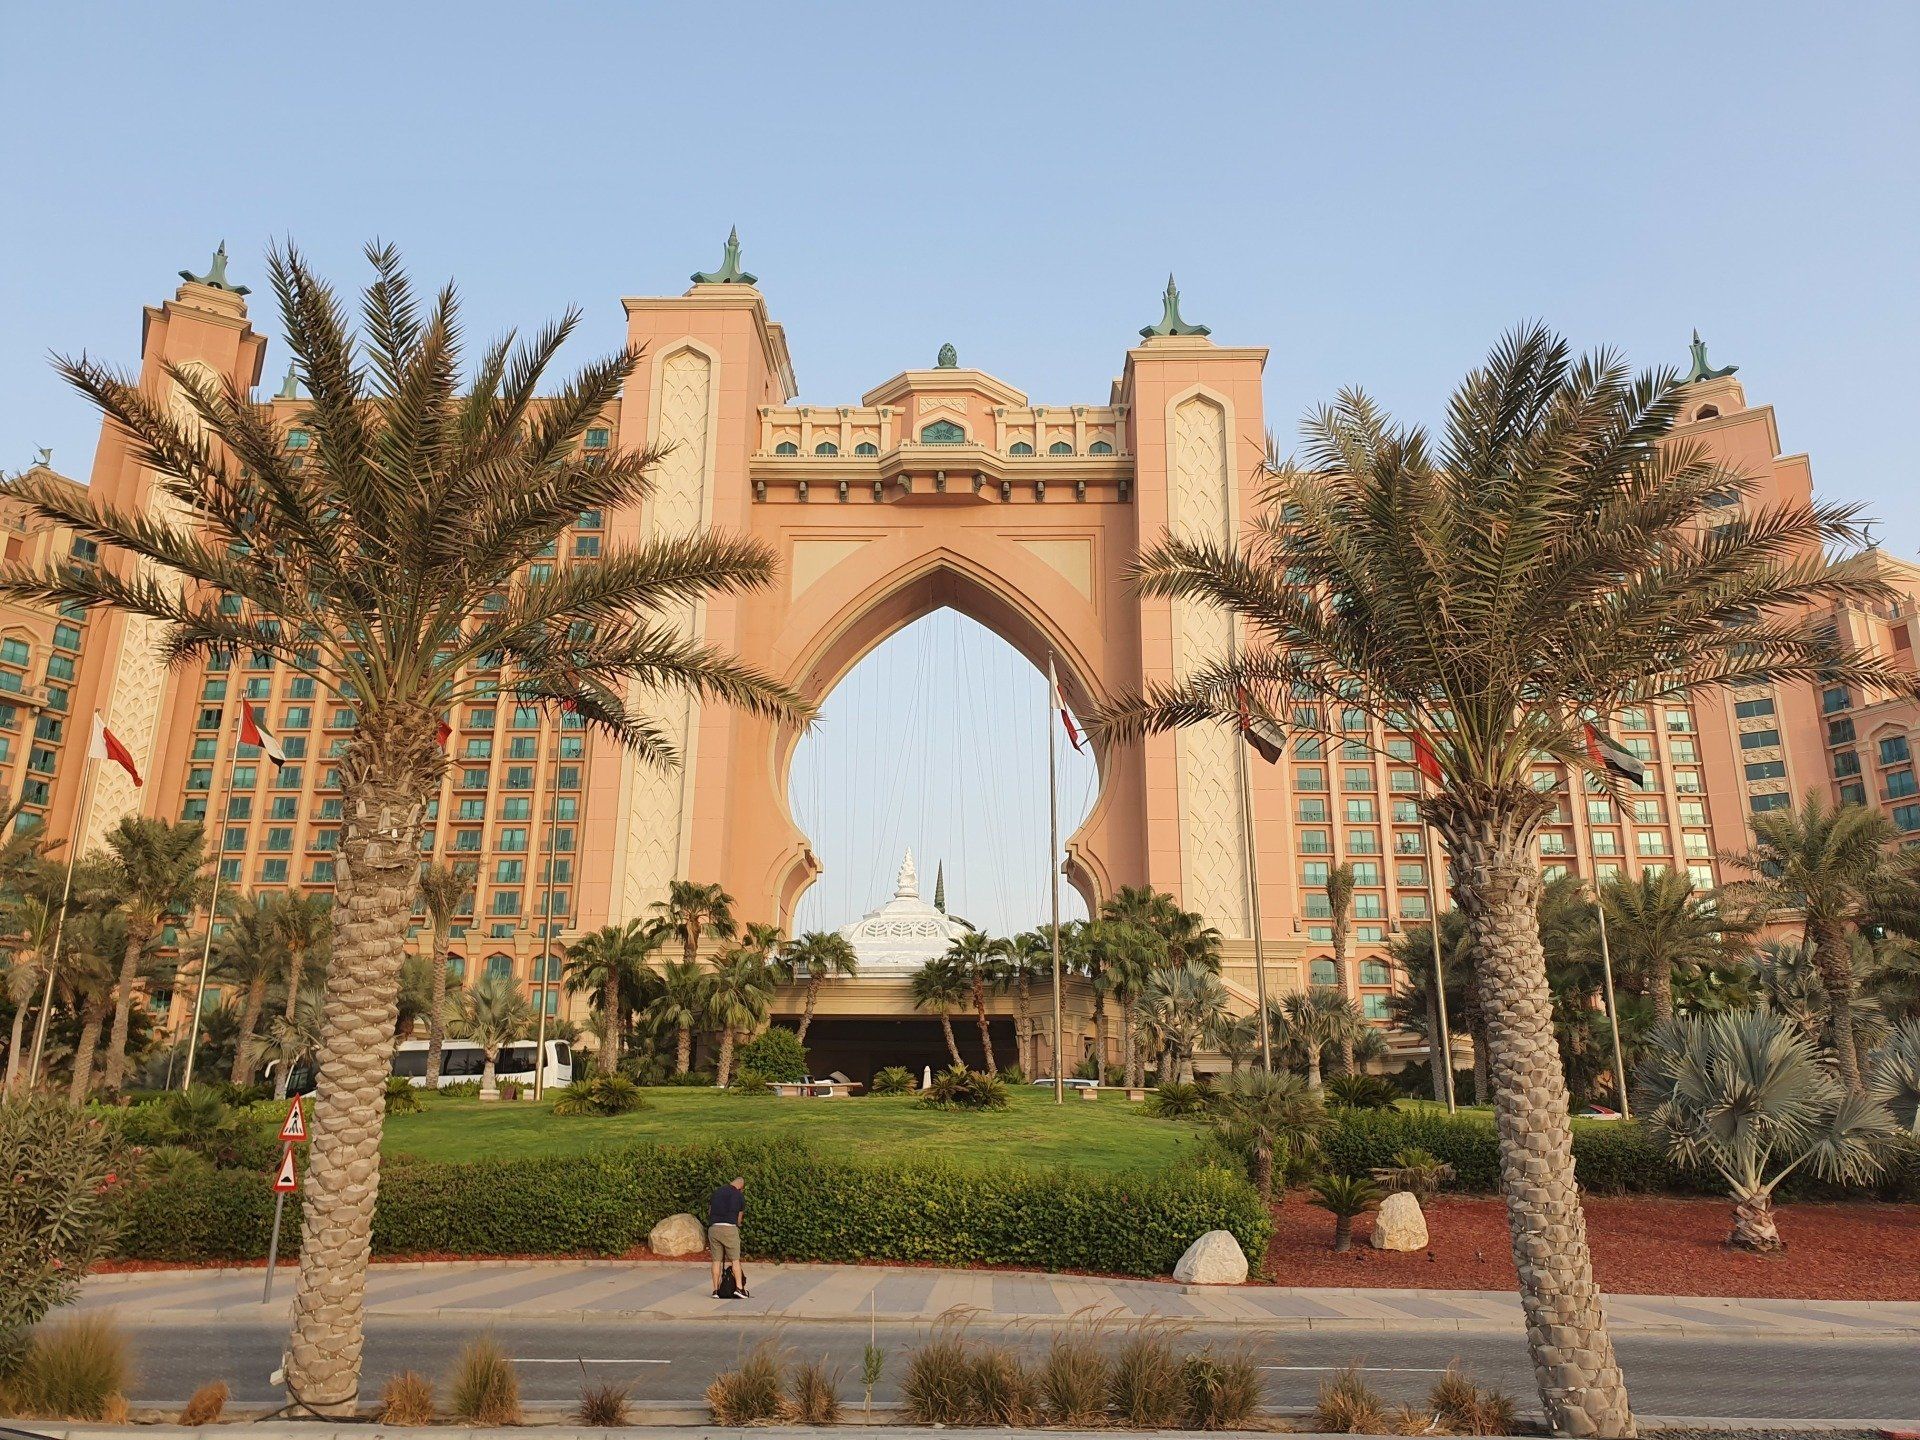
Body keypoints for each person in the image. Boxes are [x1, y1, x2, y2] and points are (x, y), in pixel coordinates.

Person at [708, 1175, 748, 1299]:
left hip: (714, 1228)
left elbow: (709, 1211)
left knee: (716, 1260)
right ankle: (739, 1289)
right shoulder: (739, 1195)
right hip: (729, 1228)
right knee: (735, 1260)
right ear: (741, 1187)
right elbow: (739, 1219)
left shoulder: (717, 1192)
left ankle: (715, 1290)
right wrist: (738, 1225)